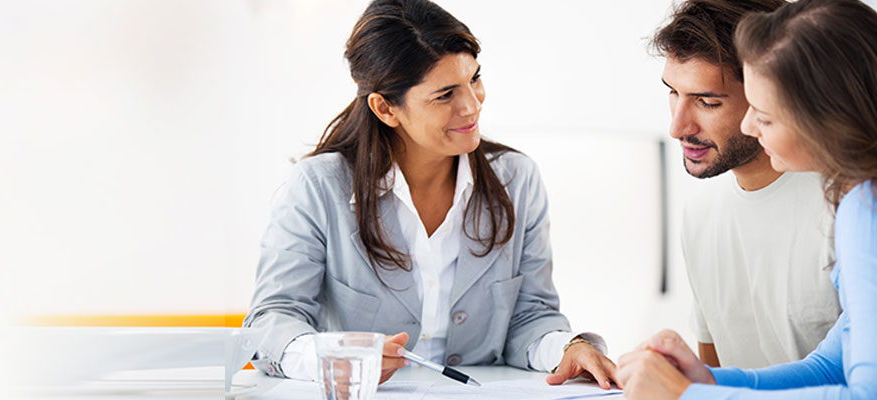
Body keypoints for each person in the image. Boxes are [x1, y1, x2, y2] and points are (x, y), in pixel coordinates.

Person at [243, 0, 617, 388]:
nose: (472, 106)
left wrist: (567, 348)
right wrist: (335, 355)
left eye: (474, 79)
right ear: (386, 108)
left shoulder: (517, 180)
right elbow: (271, 320)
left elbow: (531, 317)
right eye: (445, 95)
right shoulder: (319, 186)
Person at [616, 0, 877, 398]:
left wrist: (687, 396)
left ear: (826, 119)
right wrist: (705, 381)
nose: (751, 125)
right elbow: (831, 365)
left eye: (765, 116)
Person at [651, 0, 840, 369]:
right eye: (673, 92)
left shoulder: (848, 204)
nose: (677, 127)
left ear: (769, 95)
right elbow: (714, 378)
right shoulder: (700, 215)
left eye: (706, 102)